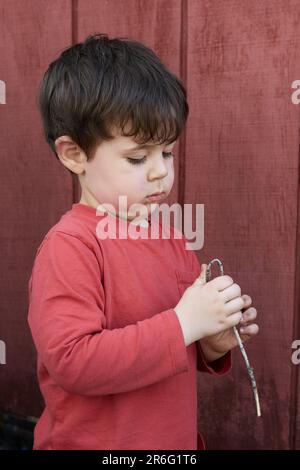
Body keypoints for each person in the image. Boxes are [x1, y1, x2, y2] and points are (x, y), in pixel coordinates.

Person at [27, 33, 259, 450]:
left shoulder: (170, 237)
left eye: (167, 153)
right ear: (74, 154)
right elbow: (73, 362)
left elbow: (178, 344)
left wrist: (212, 339)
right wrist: (184, 323)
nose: (159, 172)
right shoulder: (71, 246)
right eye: (138, 158)